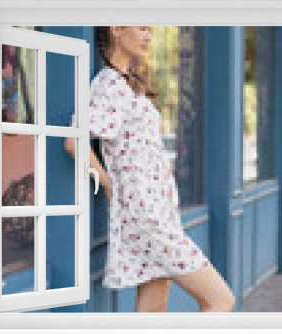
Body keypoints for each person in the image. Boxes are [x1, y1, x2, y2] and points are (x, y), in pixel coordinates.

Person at [65, 26, 235, 313]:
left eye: (150, 30)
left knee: (153, 311)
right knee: (220, 300)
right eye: (141, 28)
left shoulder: (124, 82)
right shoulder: (110, 84)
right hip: (147, 215)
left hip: (156, 210)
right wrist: (109, 184)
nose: (148, 36)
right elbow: (74, 142)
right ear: (117, 29)